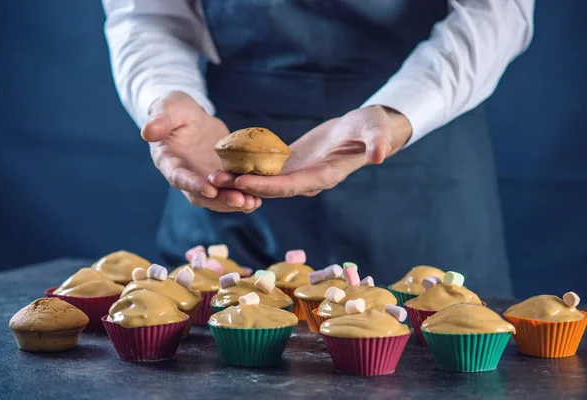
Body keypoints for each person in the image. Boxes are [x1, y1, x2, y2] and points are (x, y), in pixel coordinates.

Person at [102, 0, 534, 296]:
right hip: (214, 152)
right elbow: (148, 14)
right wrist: (165, 94)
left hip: (418, 145)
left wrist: (400, 112)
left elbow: (496, 12)